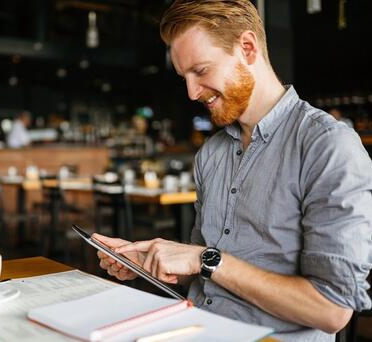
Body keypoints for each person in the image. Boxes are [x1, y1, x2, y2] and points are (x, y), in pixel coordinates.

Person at [94, 1, 372, 341]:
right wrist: (152, 258)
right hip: (192, 330)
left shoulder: (327, 145)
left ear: (248, 48)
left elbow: (332, 310)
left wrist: (206, 259)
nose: (192, 92)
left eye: (201, 70)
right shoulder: (211, 154)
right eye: (185, 77)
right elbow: (200, 271)